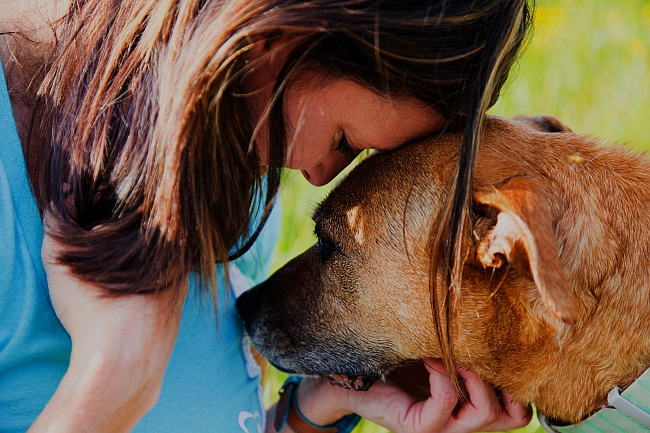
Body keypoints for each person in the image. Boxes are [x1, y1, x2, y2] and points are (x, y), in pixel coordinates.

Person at [0, 0, 534, 431]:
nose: (322, 179)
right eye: (343, 140)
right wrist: (111, 383)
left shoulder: (240, 174)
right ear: (275, 36)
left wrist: (317, 406)